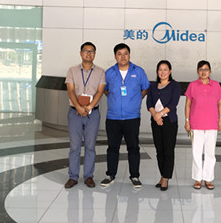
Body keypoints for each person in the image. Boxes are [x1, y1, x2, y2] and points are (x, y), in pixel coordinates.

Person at [101, 43, 150, 188]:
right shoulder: (109, 73)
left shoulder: (138, 71)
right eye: (119, 54)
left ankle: (134, 176)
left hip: (132, 117)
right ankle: (110, 175)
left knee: (133, 147)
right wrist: (115, 101)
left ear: (129, 55)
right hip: (113, 117)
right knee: (112, 147)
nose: (123, 56)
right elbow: (105, 90)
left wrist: (135, 100)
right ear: (115, 56)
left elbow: (145, 88)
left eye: (125, 53)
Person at [64, 42, 106, 189]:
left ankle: (88, 176)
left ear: (95, 54)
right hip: (74, 112)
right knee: (75, 146)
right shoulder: (72, 71)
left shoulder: (100, 72)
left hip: (92, 113)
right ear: (81, 53)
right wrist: (78, 107)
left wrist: (89, 107)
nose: (89, 53)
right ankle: (73, 176)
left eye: (92, 51)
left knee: (90, 146)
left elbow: (100, 91)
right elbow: (70, 90)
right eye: (86, 51)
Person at [184, 60, 221, 190]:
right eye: (201, 69)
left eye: (206, 69)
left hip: (212, 124)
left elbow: (220, 103)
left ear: (210, 71)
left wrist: (220, 119)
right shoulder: (192, 85)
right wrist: (187, 121)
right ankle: (198, 179)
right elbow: (188, 104)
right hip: (196, 124)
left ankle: (208, 178)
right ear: (197, 71)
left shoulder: (216, 85)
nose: (203, 72)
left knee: (210, 153)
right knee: (196, 152)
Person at [146, 60, 181, 191]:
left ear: (170, 71)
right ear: (157, 72)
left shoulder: (175, 85)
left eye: (165, 69)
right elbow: (149, 103)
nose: (163, 72)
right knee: (159, 150)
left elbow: (173, 103)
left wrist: (160, 114)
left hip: (169, 122)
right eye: (160, 70)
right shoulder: (153, 86)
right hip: (156, 121)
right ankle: (162, 175)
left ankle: (165, 178)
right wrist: (155, 115)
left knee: (168, 150)